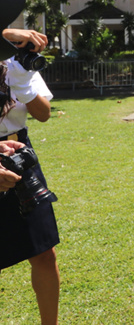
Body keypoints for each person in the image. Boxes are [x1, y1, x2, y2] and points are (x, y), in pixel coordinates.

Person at [0, 29, 60, 325]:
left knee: (43, 250)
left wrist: (22, 83)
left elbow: (44, 113)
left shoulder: (17, 59)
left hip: (19, 151)